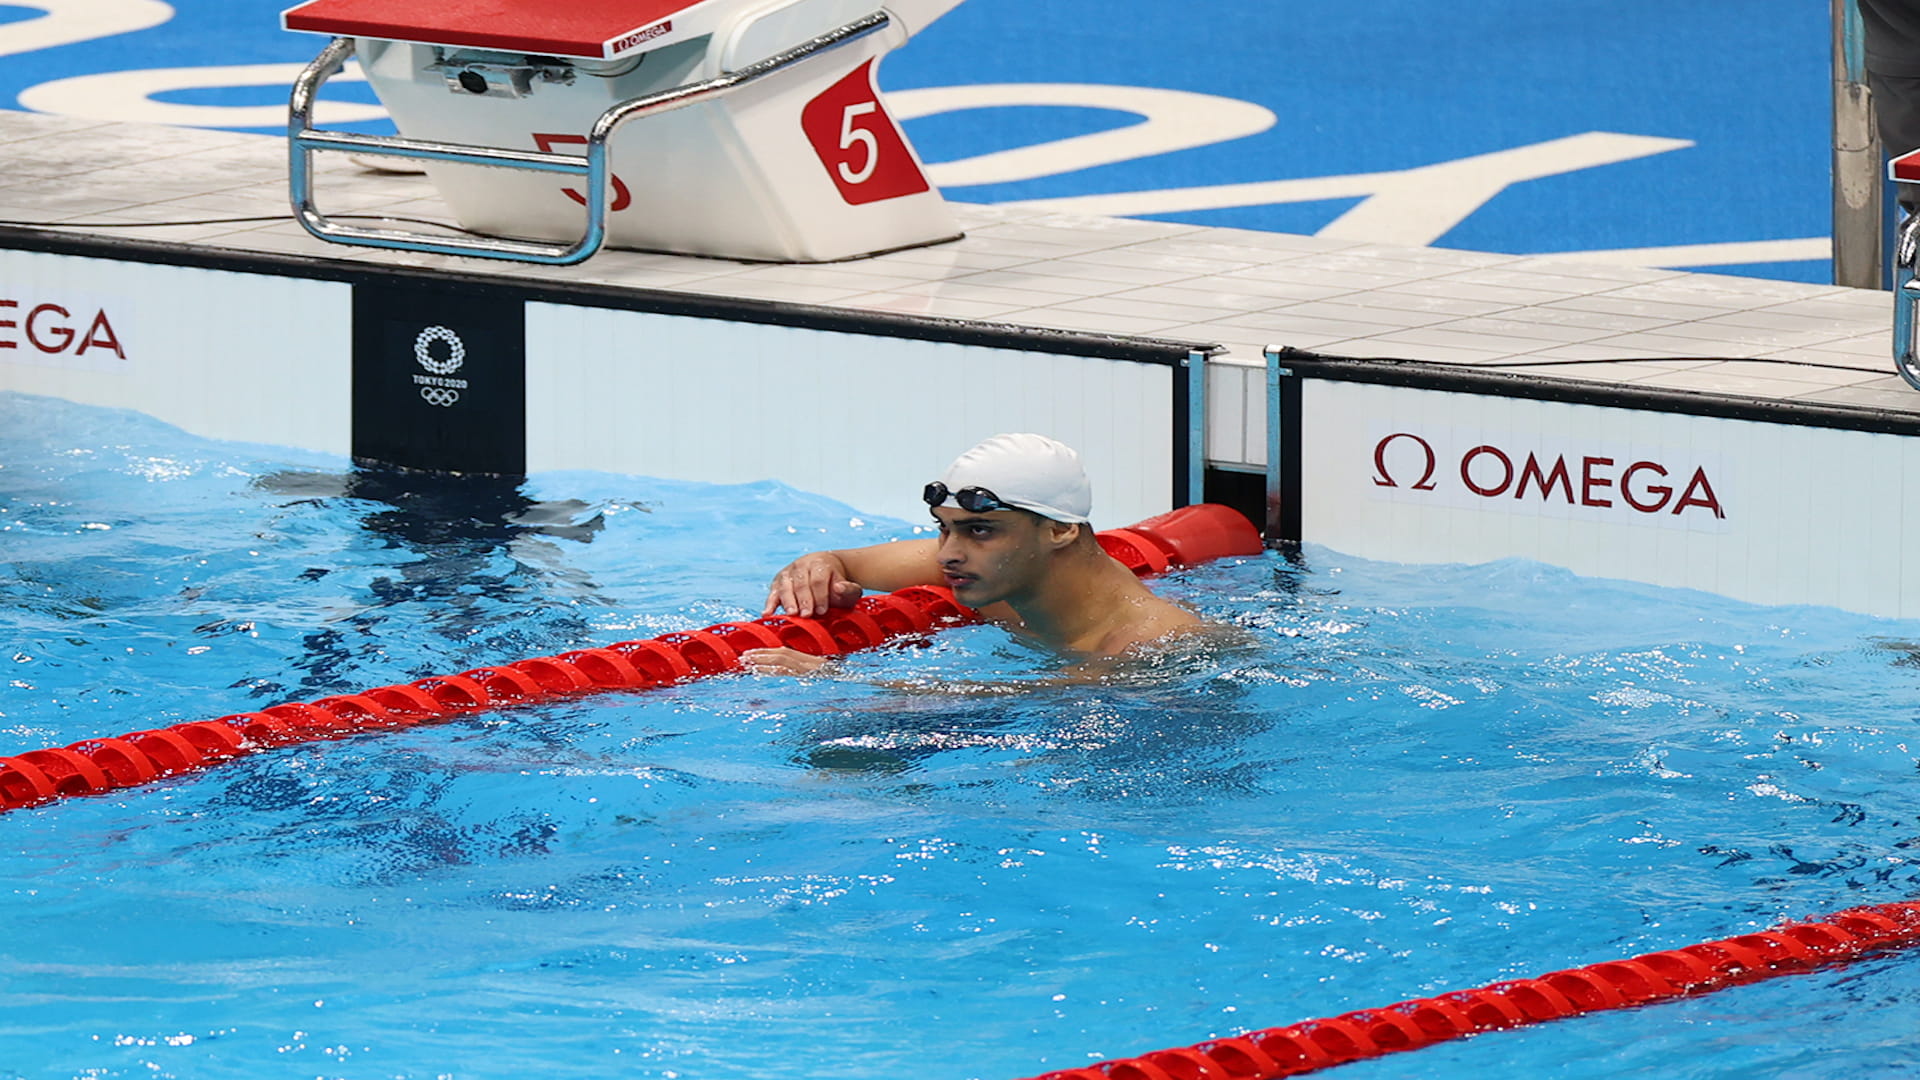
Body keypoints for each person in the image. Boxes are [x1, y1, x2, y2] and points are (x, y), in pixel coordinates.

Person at [739, 433, 1203, 676]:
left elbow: (998, 701)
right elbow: (841, 561)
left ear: (1060, 530)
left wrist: (841, 682)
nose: (947, 556)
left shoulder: (1147, 644)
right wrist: (813, 569)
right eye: (944, 530)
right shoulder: (997, 569)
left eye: (979, 530)